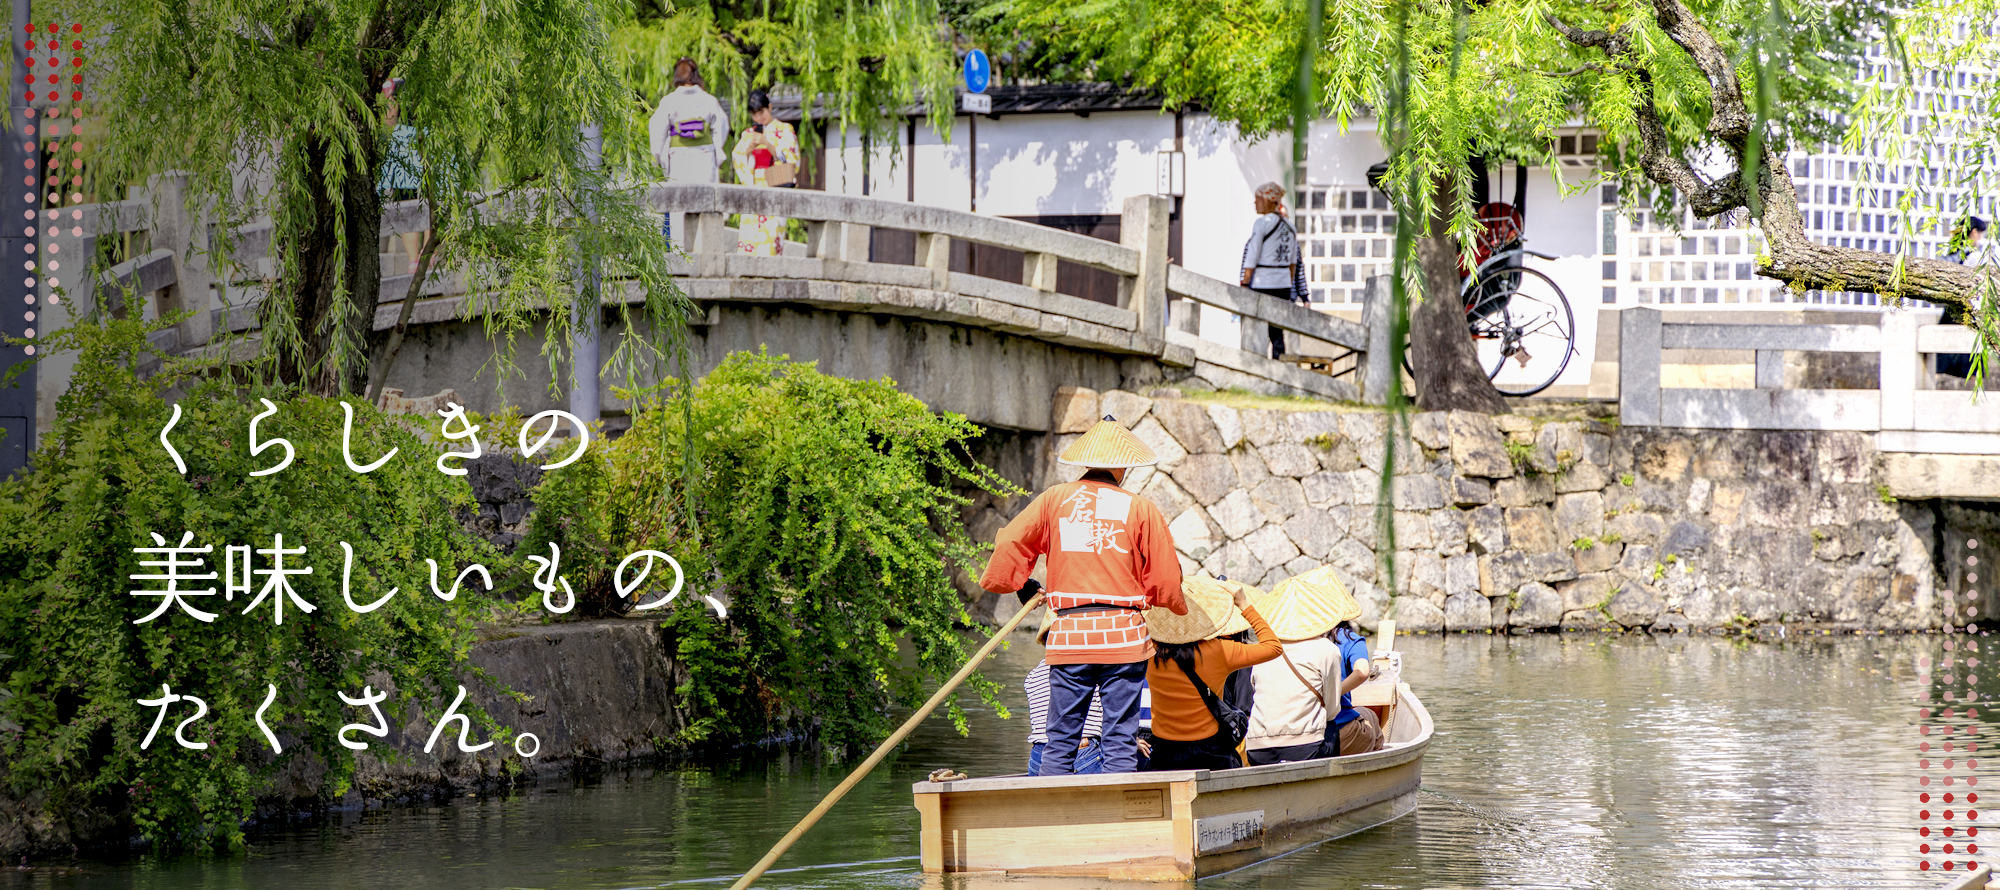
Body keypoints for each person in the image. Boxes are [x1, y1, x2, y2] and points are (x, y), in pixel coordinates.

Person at [981, 415, 1187, 775]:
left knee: (1059, 739)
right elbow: (1167, 579)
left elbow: (1010, 541)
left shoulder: (1054, 500)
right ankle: (1117, 819)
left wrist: (1022, 585)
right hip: (1123, 638)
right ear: (1123, 466)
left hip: (1070, 636)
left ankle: (1052, 819)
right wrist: (1157, 599)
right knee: (1120, 739)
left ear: (1087, 461)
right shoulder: (1140, 508)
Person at [1141, 577, 1282, 772]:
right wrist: (1244, 603)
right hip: (1210, 752)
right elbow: (1273, 646)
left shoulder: (1149, 652)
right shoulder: (1219, 651)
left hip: (1164, 752)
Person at [1245, 567, 1363, 764]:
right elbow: (1332, 710)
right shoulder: (1327, 649)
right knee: (1331, 724)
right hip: (1305, 751)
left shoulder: (1263, 649)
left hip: (1257, 750)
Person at [648, 58, 729, 246]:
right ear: (696, 76)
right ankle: (707, 247)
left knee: (678, 203)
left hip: (679, 157)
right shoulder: (709, 100)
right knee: (705, 201)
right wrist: (717, 149)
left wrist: (658, 156)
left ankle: (678, 250)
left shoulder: (669, 100)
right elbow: (721, 126)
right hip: (704, 154)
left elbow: (657, 128)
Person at [1026, 607, 1106, 776]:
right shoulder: (1088, 667)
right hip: (1080, 751)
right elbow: (1108, 715)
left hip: (1038, 754)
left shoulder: (1032, 675)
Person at [1239, 182, 1307, 361]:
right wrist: (1287, 280)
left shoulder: (1261, 223)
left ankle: (1254, 364)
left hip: (1263, 282)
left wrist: (1245, 282)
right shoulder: (1290, 227)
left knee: (1256, 327)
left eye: (1258, 199)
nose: (1255, 203)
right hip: (1283, 285)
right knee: (1277, 331)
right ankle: (1278, 364)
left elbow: (1252, 256)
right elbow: (1293, 262)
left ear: (1270, 201)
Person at [730, 90, 802, 256]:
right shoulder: (749, 134)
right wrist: (748, 151)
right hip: (754, 189)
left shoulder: (784, 130)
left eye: (761, 112)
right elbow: (738, 159)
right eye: (754, 114)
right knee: (749, 241)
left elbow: (792, 160)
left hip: (775, 187)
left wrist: (767, 143)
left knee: (771, 239)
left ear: (769, 107)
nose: (758, 118)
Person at [377, 78, 429, 277]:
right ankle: (428, 252)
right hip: (427, 142)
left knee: (407, 202)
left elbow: (390, 120)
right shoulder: (422, 90)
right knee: (432, 202)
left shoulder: (395, 92)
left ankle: (413, 261)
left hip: (404, 148)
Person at [1938, 216, 1995, 381]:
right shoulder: (1974, 257)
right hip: (1969, 312)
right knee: (1971, 363)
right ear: (1974, 232)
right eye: (1980, 234)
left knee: (1942, 356)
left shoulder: (1951, 254)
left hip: (1951, 310)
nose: (1980, 239)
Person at [1327, 616, 1384, 756]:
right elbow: (1362, 672)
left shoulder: (1292, 642)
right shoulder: (1348, 638)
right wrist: (1333, 693)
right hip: (1338, 730)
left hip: (1298, 733)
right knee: (1368, 714)